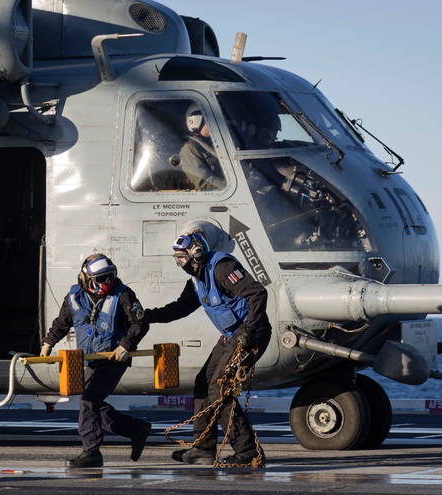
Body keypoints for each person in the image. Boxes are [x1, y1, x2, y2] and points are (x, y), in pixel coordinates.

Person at [145, 232, 272, 467]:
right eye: (177, 259)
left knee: (219, 389)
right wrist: (147, 316)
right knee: (203, 384)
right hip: (230, 336)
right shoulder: (196, 279)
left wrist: (250, 332)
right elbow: (180, 308)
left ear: (196, 254)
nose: (180, 263)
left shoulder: (222, 268)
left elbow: (257, 292)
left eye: (182, 257)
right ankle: (203, 448)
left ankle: (248, 451)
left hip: (250, 332)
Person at [41, 254, 152, 468]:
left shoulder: (123, 295)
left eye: (110, 277)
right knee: (91, 402)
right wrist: (48, 342)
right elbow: (62, 322)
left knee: (88, 399)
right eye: (102, 278)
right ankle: (134, 429)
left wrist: (125, 345)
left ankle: (91, 451)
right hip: (90, 360)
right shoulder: (74, 296)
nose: (107, 282)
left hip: (113, 358)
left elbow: (139, 323)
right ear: (87, 278)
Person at [179, 103, 226, 191]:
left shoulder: (217, 145)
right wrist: (230, 186)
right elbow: (205, 182)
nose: (214, 125)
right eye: (209, 121)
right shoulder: (190, 150)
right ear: (196, 122)